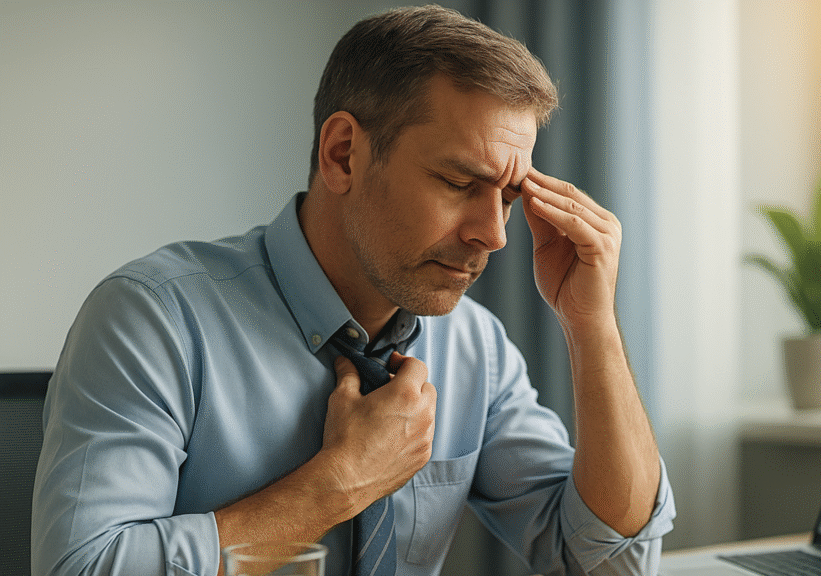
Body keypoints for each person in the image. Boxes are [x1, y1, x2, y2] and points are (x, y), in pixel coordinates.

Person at [32, 5, 675, 575]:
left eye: (508, 196)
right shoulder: (150, 319)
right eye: (458, 183)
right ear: (342, 154)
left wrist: (593, 327)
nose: (494, 235)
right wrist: (341, 481)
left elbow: (612, 561)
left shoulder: (476, 345)